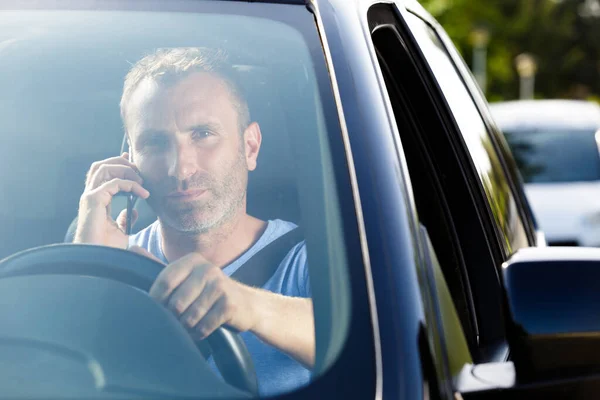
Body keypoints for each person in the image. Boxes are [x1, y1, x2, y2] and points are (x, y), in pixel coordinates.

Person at [73, 47, 314, 396]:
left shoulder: (310, 261)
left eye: (202, 134)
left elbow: (369, 340)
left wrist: (249, 305)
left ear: (250, 147)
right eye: (155, 142)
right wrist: (92, 272)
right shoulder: (112, 259)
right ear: (130, 162)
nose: (181, 169)